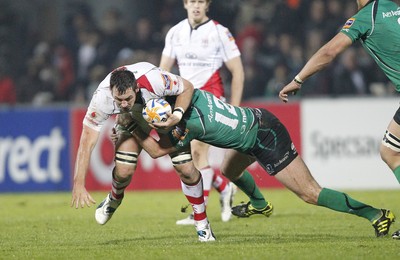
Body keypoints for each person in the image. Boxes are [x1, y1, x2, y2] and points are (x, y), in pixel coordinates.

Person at [122, 88, 395, 238]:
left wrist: (132, 128)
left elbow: (157, 152)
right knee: (229, 169)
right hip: (256, 122)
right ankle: (260, 204)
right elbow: (181, 86)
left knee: (310, 193)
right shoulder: (193, 95)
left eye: (155, 123)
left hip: (265, 136)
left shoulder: (187, 128)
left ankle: (376, 214)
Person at [278, 0, 400, 238]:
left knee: (391, 152)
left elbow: (329, 51)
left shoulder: (366, 17)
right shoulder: (392, 7)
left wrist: (298, 79)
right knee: (389, 151)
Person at [70, 62, 216, 242]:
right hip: (131, 120)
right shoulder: (102, 98)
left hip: (165, 113)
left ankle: (202, 225)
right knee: (123, 171)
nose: (123, 104)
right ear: (111, 93)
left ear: (136, 88)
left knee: (187, 170)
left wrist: (176, 116)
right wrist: (78, 183)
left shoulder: (155, 80)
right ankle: (114, 199)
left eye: (128, 99)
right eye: (118, 100)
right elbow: (86, 141)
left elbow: (187, 87)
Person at [159, 0, 245, 224]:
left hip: (210, 97)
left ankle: (199, 214)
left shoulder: (220, 32)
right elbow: (164, 71)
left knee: (197, 152)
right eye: (192, 1)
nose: (196, 5)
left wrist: (234, 107)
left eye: (201, 1)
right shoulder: (175, 32)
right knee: (189, 158)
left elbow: (237, 71)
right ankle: (225, 187)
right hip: (184, 99)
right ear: (185, 4)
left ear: (207, 5)